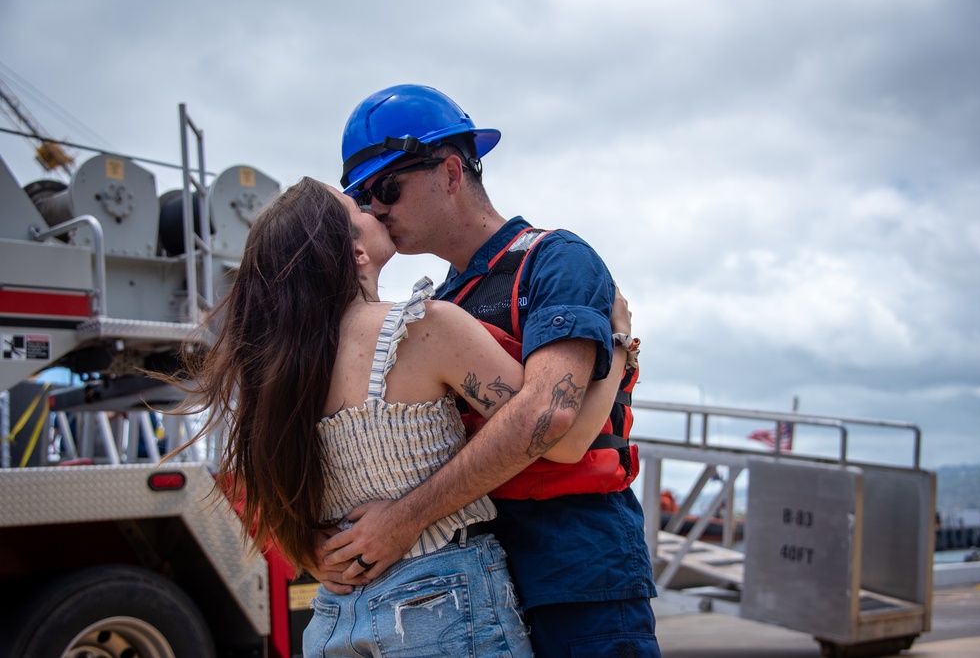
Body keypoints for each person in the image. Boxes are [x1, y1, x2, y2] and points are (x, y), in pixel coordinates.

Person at [164, 176, 631, 656]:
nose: (375, 209)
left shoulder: (282, 374)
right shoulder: (423, 327)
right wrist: (618, 343)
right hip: (443, 606)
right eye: (359, 209)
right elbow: (558, 434)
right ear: (356, 253)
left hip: (335, 616)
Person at [316, 85, 659, 657]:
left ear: (451, 172)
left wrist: (402, 521)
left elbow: (553, 420)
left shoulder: (556, 262)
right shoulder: (438, 307)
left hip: (577, 579)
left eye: (386, 188)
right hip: (476, 592)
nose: (376, 209)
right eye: (363, 199)